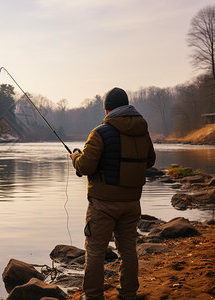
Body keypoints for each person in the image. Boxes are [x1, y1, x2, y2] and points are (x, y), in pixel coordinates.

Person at [70, 87, 156, 300]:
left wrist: (75, 157)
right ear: (127, 107)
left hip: (103, 205)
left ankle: (92, 295)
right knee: (128, 250)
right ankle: (128, 294)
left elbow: (86, 166)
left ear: (107, 109)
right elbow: (150, 161)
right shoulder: (142, 132)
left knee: (96, 251)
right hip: (131, 203)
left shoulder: (100, 132)